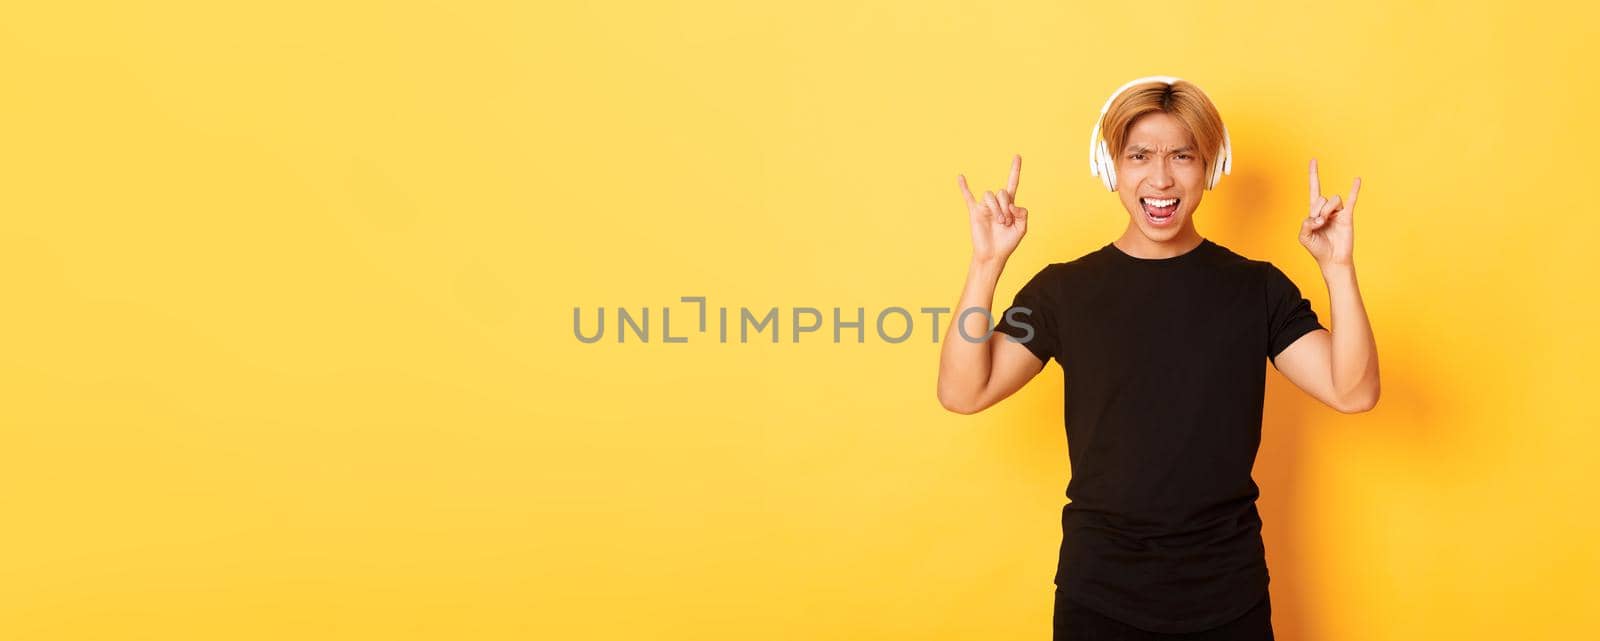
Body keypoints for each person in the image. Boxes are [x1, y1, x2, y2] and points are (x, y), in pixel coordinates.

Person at [935, 77, 1380, 640]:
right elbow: (962, 390)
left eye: (1182, 156)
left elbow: (1354, 390)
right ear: (1112, 167)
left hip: (1229, 592)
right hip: (1099, 594)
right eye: (1139, 156)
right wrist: (985, 265)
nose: (1161, 178)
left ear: (1210, 167)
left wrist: (1338, 269)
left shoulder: (1257, 289)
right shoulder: (1062, 292)